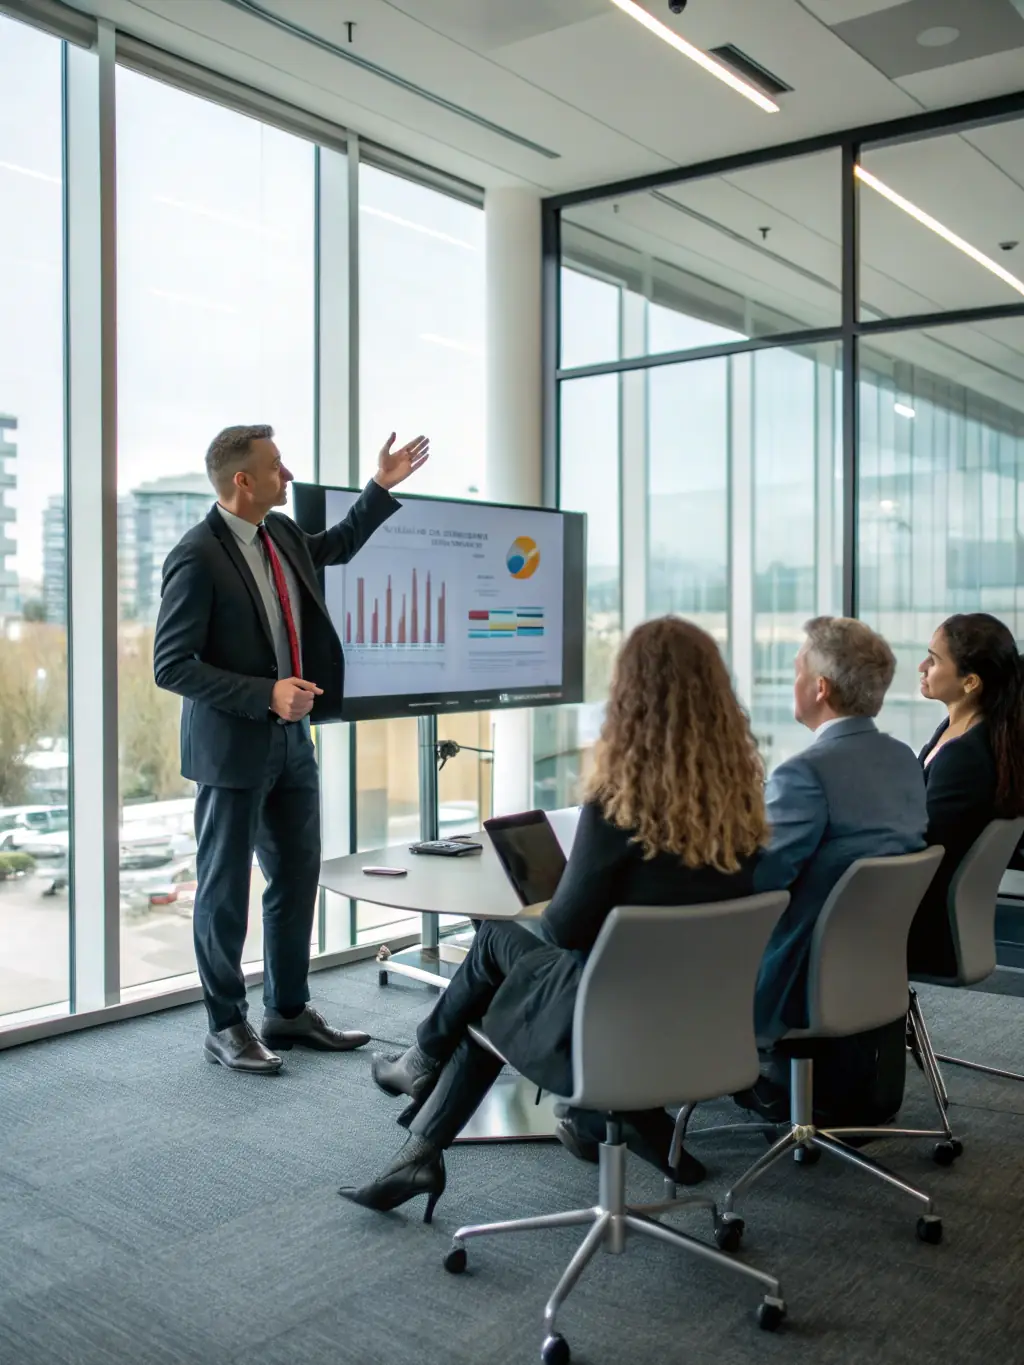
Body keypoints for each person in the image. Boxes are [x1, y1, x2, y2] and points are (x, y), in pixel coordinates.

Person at [338, 616, 770, 1221]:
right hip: (697, 1022)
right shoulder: (744, 806)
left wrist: (567, 887)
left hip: (605, 1023)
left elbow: (566, 929)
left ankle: (423, 1083)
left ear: (631, 700)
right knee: (499, 962)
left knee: (493, 952)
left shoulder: (619, 807)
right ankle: (426, 1122)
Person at [154, 424, 429, 1074]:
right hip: (232, 749)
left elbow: (335, 544)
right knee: (223, 892)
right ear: (241, 481)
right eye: (277, 466)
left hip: (292, 743)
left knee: (298, 873)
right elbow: (171, 665)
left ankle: (287, 1008)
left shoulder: (279, 535)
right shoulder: (196, 555)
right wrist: (264, 693)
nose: (289, 473)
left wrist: (379, 487)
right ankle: (226, 1025)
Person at [748, 617, 927, 1122]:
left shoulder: (803, 772)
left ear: (820, 688)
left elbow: (760, 882)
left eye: (797, 671)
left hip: (797, 973)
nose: (794, 681)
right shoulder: (904, 761)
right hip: (875, 970)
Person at [910, 613, 1024, 977]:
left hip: (919, 925)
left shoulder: (966, 756)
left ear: (970, 682)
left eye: (934, 658)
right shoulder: (963, 732)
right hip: (926, 910)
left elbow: (920, 845)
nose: (922, 666)